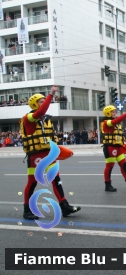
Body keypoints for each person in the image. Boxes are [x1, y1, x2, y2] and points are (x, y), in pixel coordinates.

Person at [19, 86, 81, 220]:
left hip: (48, 154)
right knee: (32, 182)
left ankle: (64, 206)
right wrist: (51, 94)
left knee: (56, 179)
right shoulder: (28, 118)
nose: (44, 103)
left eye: (43, 101)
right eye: (41, 101)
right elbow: (40, 112)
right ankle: (27, 210)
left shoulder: (45, 120)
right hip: (35, 155)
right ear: (34, 104)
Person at [101, 105, 126, 192]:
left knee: (123, 164)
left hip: (118, 147)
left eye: (115, 112)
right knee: (109, 166)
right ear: (108, 113)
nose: (115, 113)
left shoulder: (114, 122)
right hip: (110, 147)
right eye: (113, 112)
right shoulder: (106, 122)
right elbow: (116, 121)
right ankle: (108, 184)